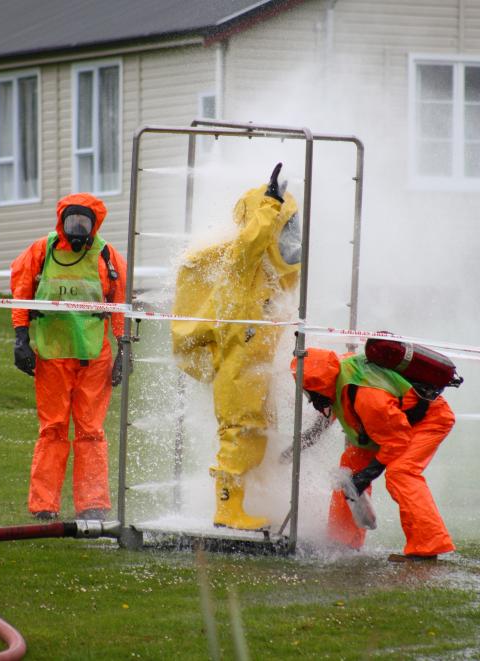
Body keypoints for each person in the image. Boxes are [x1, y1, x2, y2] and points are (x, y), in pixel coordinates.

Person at [172, 164, 301, 530]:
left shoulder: (268, 273)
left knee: (257, 438)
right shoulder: (241, 263)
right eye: (284, 228)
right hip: (239, 369)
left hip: (255, 371)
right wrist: (269, 205)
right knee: (239, 435)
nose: (290, 238)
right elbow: (250, 240)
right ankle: (227, 510)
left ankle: (242, 505)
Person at [10, 193, 127, 521]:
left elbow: (120, 306)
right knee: (53, 429)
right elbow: (21, 290)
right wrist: (21, 337)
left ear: (95, 224)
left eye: (84, 223)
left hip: (93, 357)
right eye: (72, 222)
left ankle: (92, 504)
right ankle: (44, 504)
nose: (77, 229)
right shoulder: (42, 251)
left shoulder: (107, 257)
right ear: (62, 222)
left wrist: (123, 350)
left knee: (91, 430)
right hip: (52, 356)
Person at [291, 347, 456, 561]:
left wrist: (368, 473)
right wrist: (304, 441)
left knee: (401, 473)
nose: (309, 399)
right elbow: (339, 404)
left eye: (308, 392)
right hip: (391, 423)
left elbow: (396, 440)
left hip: (427, 420)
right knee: (349, 470)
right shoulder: (336, 373)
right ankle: (342, 541)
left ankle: (427, 547)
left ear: (318, 387)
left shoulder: (366, 396)